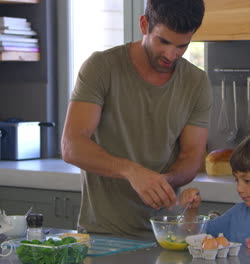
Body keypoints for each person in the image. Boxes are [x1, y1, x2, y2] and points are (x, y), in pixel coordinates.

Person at [61, 0, 211, 240]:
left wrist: (163, 181)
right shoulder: (101, 67)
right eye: (163, 41)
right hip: (103, 234)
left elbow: (191, 156)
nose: (171, 55)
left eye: (182, 46)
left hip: (167, 235)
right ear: (144, 25)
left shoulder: (196, 82)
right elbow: (72, 146)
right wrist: (132, 172)